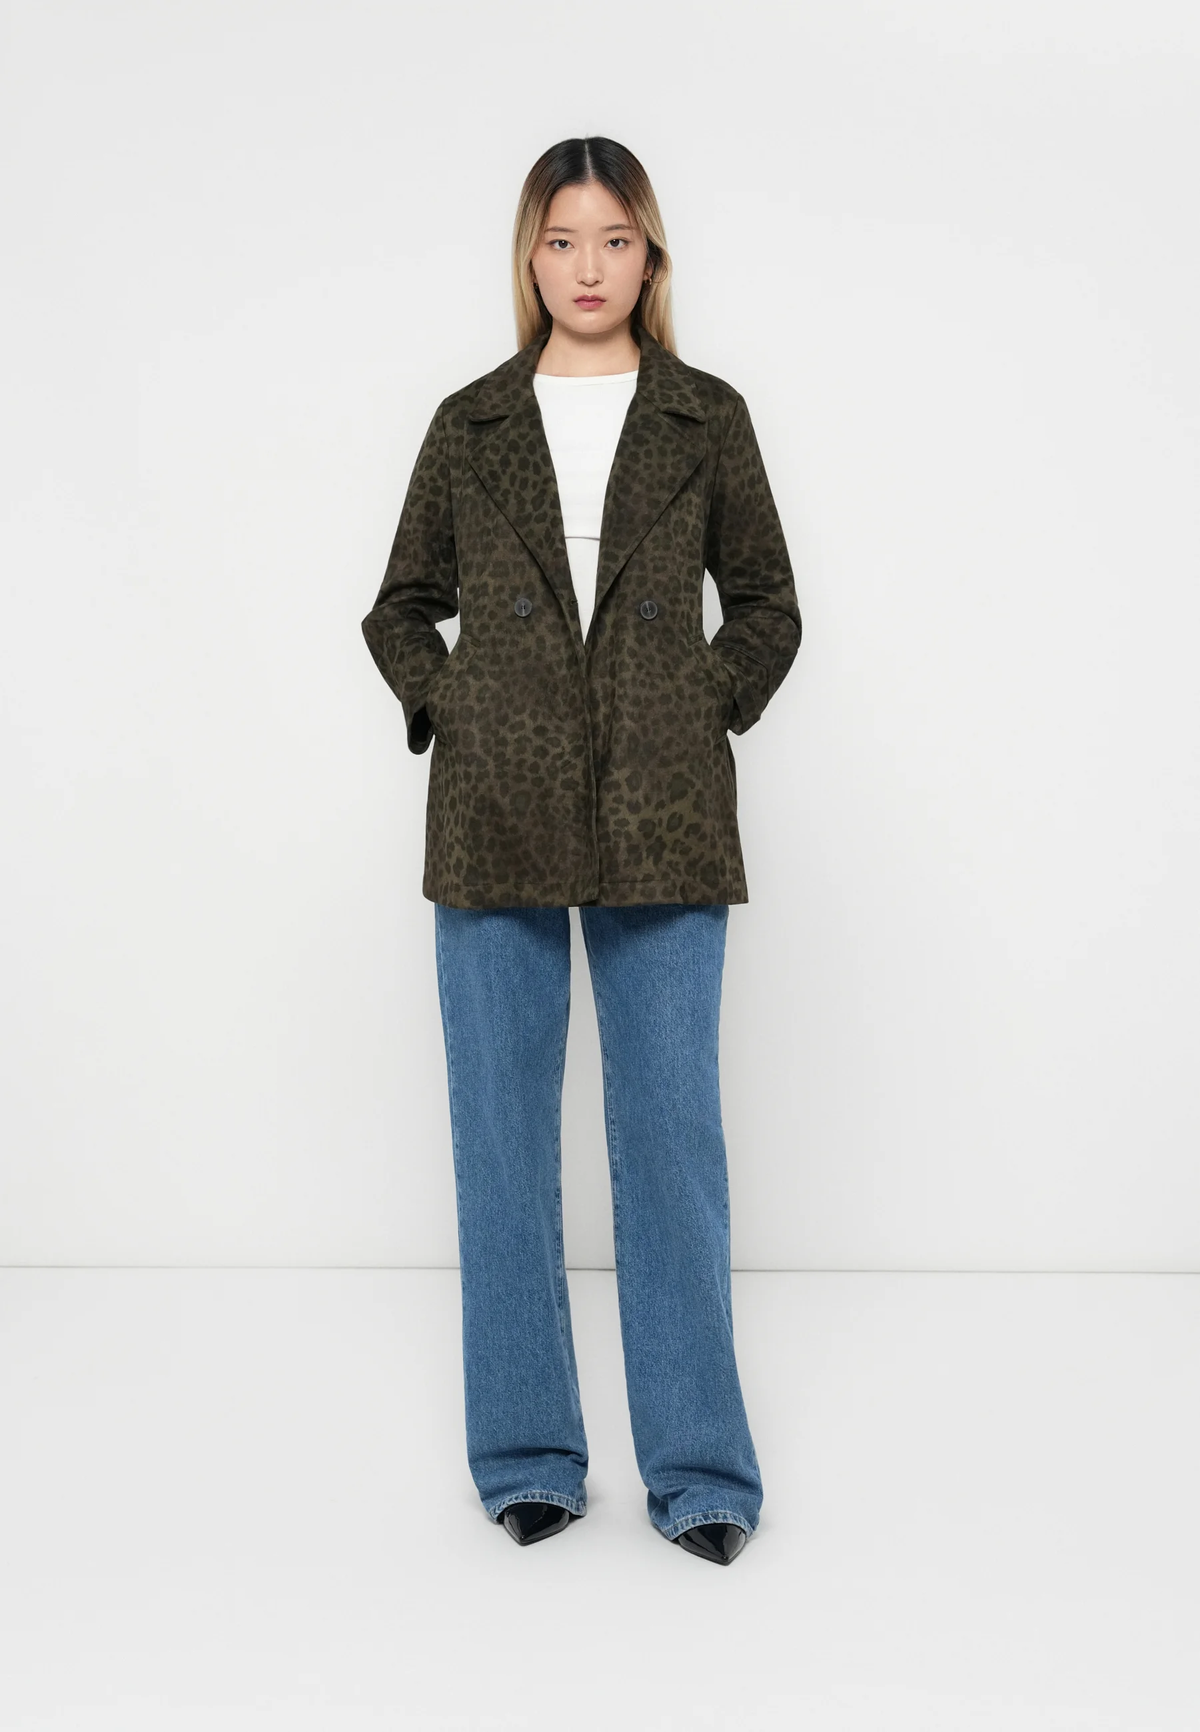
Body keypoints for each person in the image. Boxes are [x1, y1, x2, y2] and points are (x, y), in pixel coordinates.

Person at [361, 136, 802, 1566]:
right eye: (563, 240)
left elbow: (770, 605)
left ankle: (700, 1472)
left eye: (615, 239)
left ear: (648, 254)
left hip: (666, 814)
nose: (589, 266)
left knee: (671, 1142)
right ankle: (528, 1456)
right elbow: (399, 606)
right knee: (501, 1144)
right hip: (494, 810)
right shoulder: (471, 422)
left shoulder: (705, 416)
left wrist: (697, 703)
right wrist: (458, 705)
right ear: (530, 255)